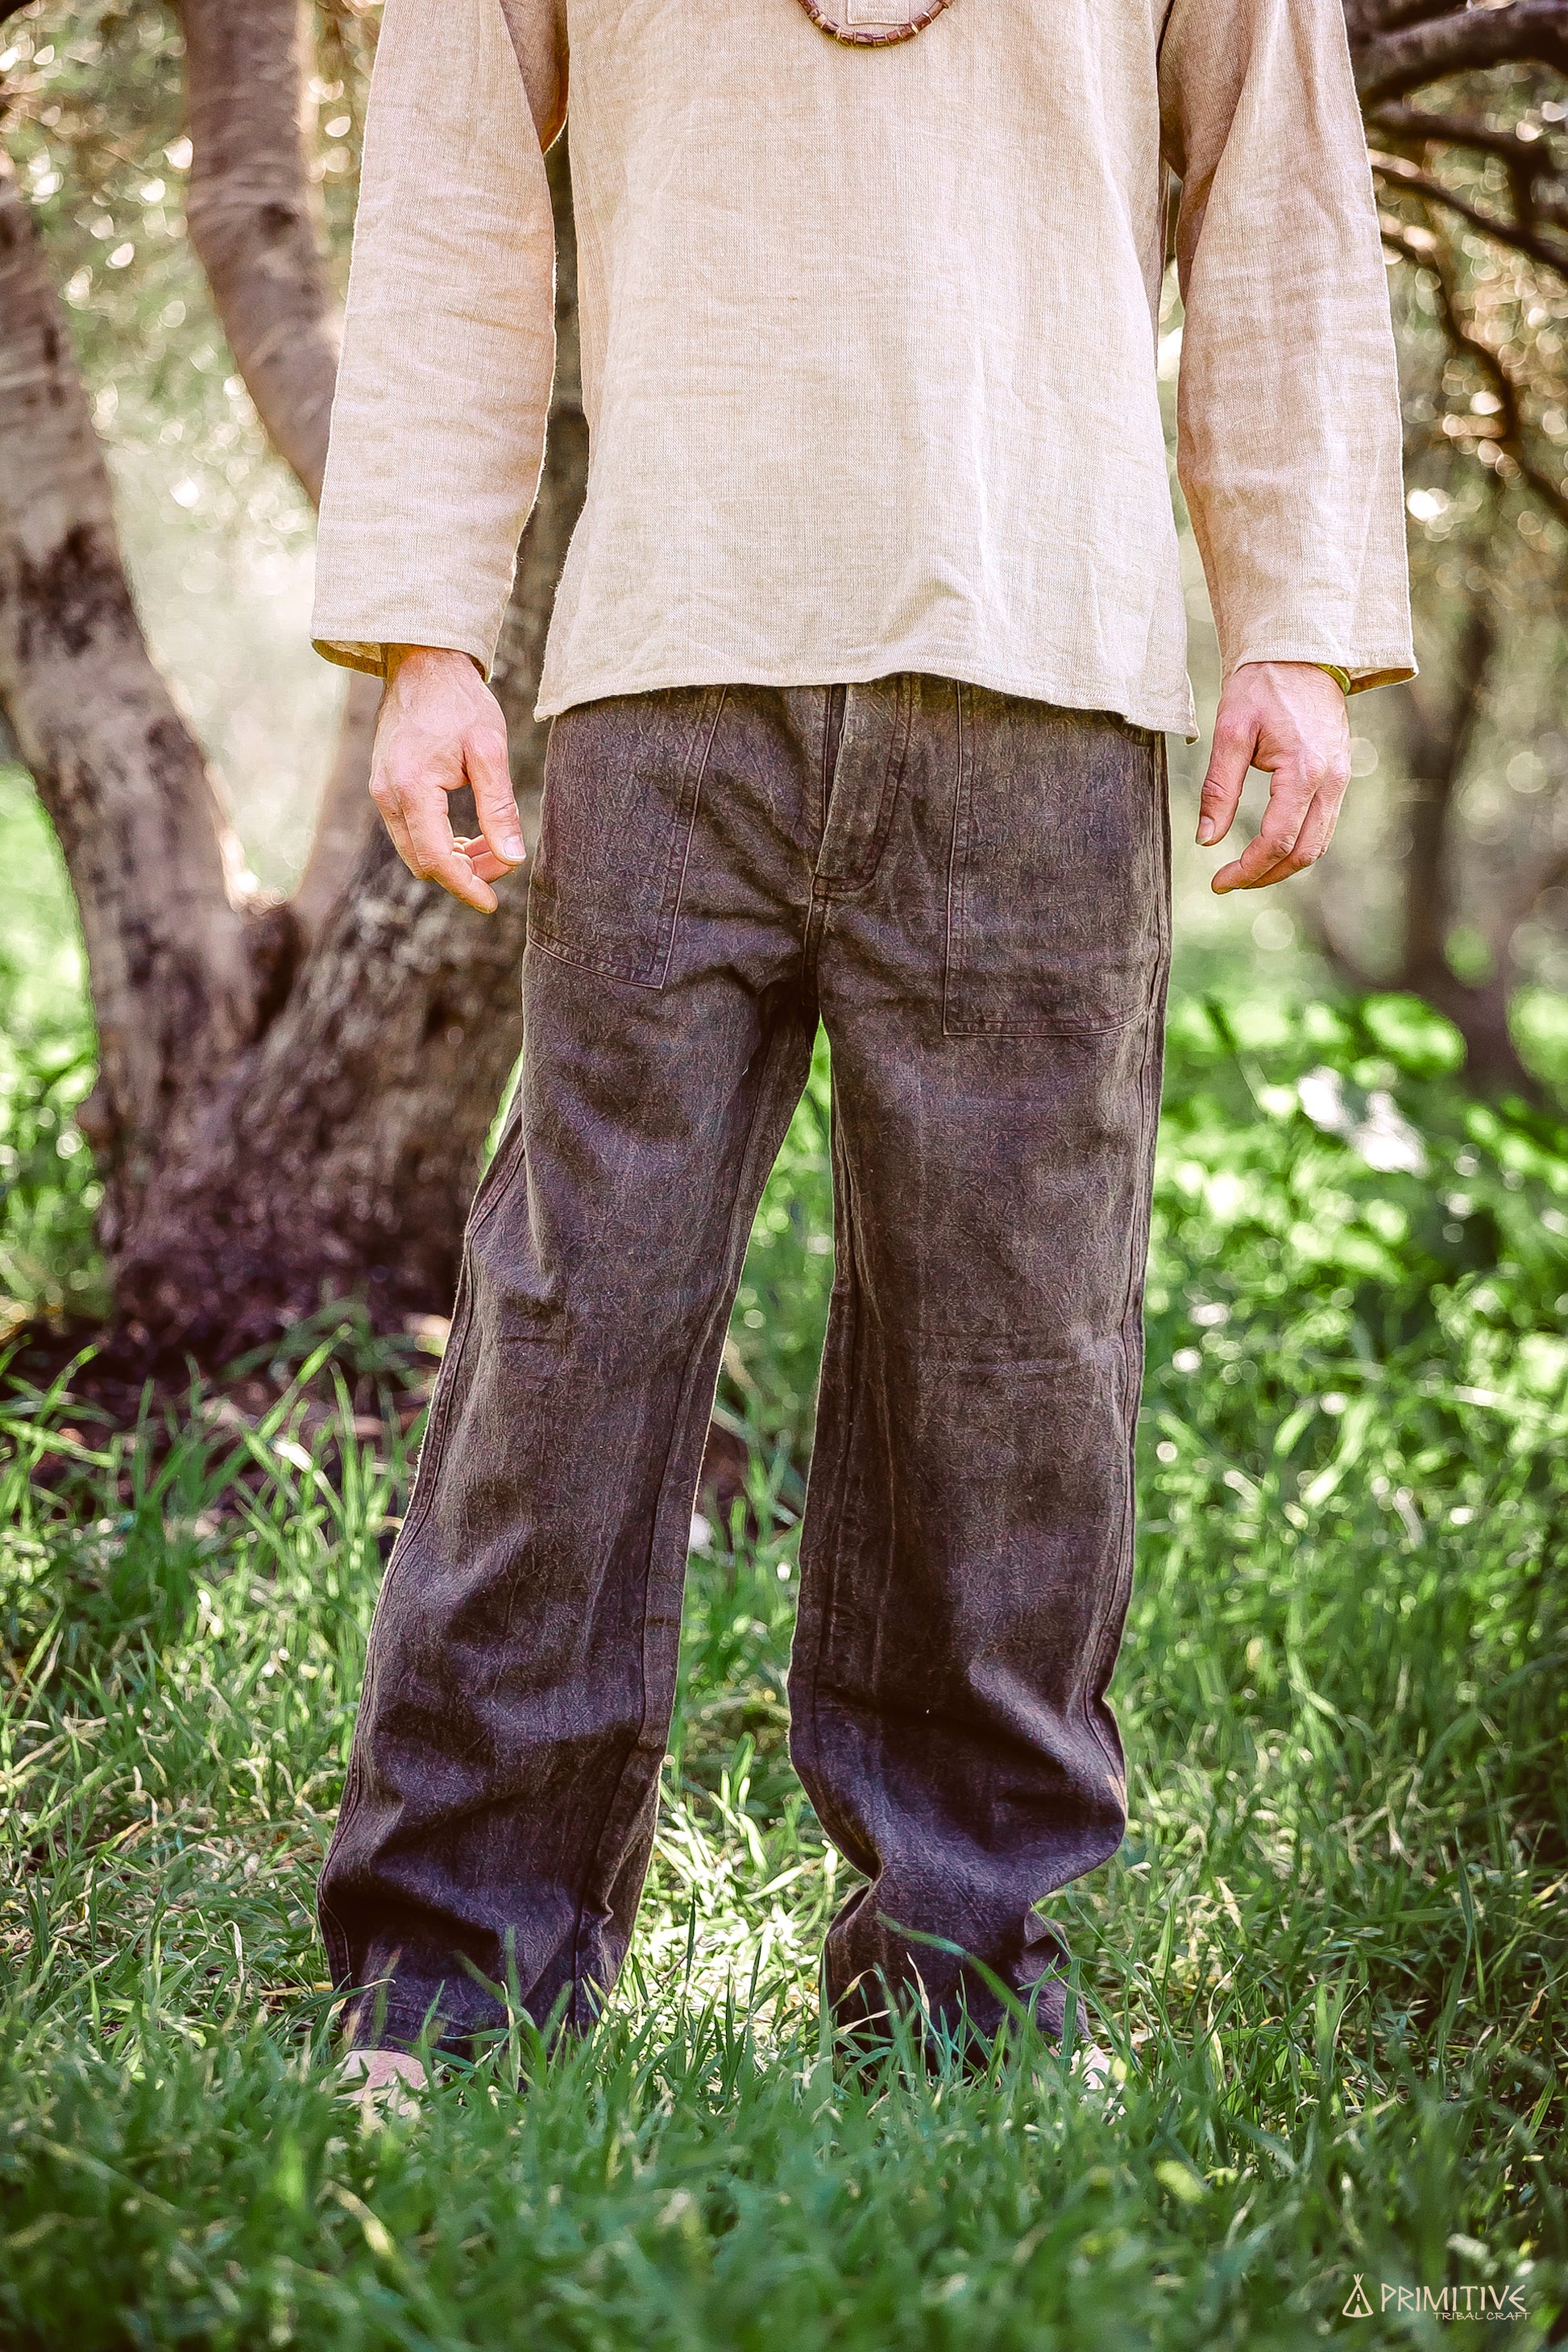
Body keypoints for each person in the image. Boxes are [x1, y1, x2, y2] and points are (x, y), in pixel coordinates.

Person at [311, 0, 1413, 2101]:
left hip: (1044, 665)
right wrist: (425, 631)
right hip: (667, 663)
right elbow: (448, 183)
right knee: (574, 1323)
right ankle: (447, 1981)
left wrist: (1293, 616)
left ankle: (964, 1985)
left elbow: (1281, 198)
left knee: (1012, 1359)